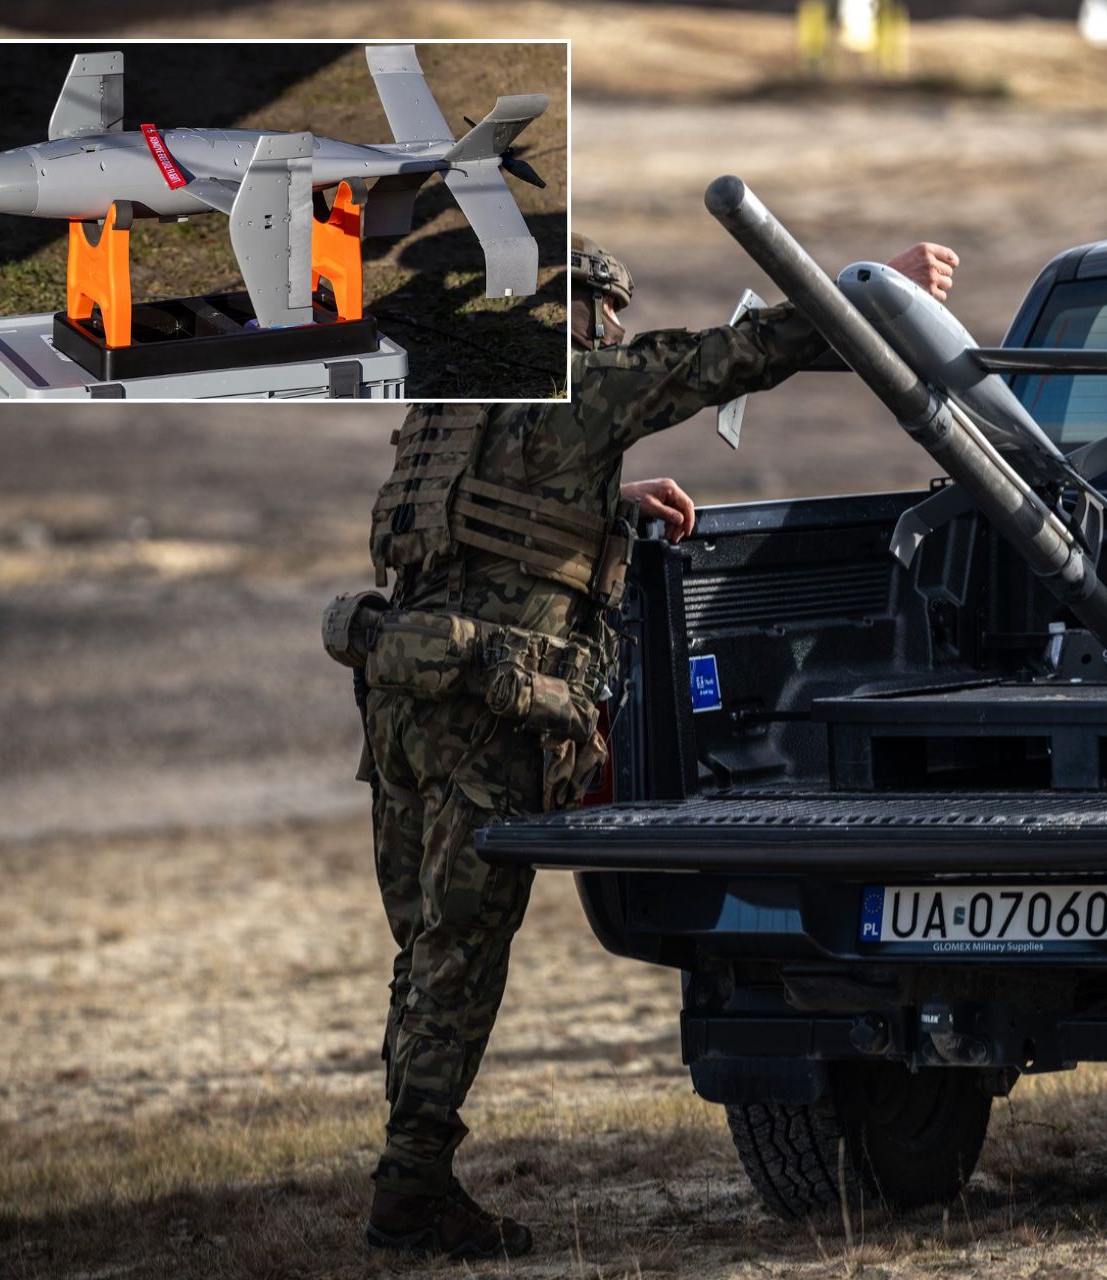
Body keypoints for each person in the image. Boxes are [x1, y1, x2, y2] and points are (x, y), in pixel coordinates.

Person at [325, 231, 961, 1260]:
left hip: (400, 699)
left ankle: (410, 1171)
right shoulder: (580, 383)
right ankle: (411, 1191)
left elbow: (473, 521)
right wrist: (871, 287)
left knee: (425, 950)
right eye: (599, 307)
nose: (610, 327)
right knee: (459, 955)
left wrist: (602, 502)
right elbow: (734, 355)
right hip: (488, 709)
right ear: (561, 308)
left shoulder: (454, 400)